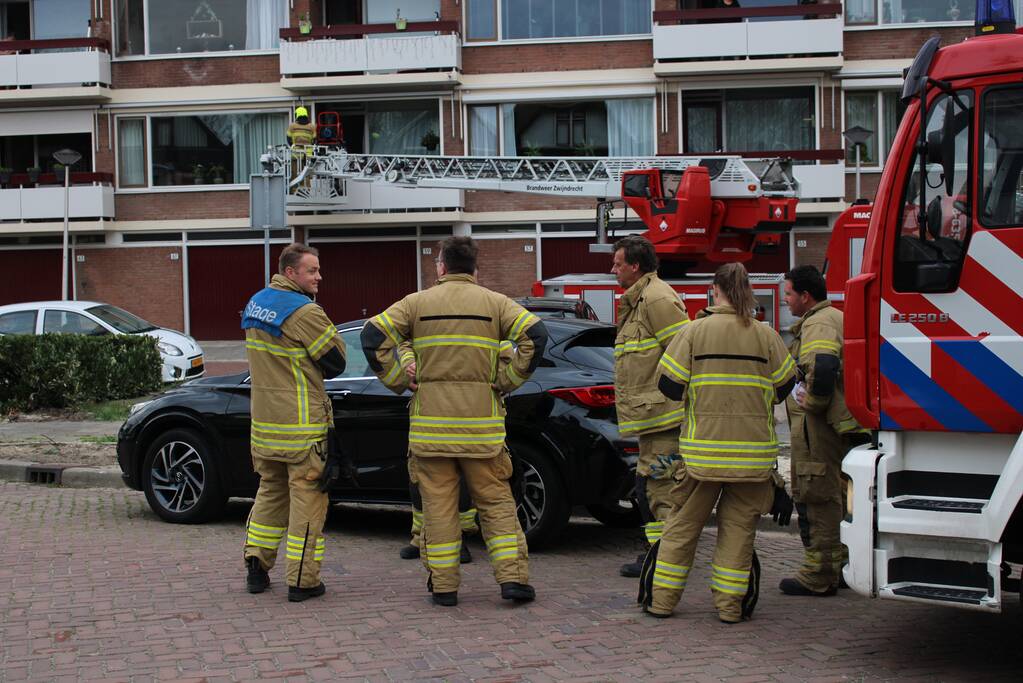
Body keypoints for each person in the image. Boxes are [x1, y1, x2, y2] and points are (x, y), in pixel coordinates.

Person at [362, 236, 548, 607]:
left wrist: (399, 378)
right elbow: (536, 336)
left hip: (431, 433)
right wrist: (508, 381)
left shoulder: (416, 303)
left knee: (439, 509)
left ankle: (445, 586)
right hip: (482, 432)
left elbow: (371, 336)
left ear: (442, 266)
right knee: (496, 506)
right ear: (475, 269)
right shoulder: (495, 303)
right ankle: (512, 580)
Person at [638, 263, 796, 623]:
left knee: (681, 530)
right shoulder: (765, 335)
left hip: (702, 457)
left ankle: (662, 602)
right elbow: (785, 387)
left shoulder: (694, 332)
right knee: (738, 534)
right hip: (753, 459)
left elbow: (669, 387)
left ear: (714, 290)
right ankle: (729, 608)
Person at [241, 243, 347, 603]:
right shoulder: (303, 312)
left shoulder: (257, 303)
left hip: (265, 426)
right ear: (290, 273)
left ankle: (256, 566)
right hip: (302, 429)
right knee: (308, 504)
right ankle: (303, 580)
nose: (319, 277)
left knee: (270, 494)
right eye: (312, 270)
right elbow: (336, 363)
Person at [780, 265, 869, 597]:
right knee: (840, 496)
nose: (786, 300)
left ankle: (819, 573)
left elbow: (824, 364)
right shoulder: (833, 317)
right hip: (843, 423)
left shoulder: (818, 323)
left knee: (817, 493)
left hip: (822, 426)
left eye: (789, 293)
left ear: (805, 296)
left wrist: (813, 403)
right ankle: (840, 564)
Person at [609, 235, 690, 578]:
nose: (613, 269)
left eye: (617, 263)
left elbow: (684, 350)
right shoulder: (639, 299)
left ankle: (664, 559)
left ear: (635, 266)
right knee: (650, 486)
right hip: (651, 417)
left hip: (664, 416)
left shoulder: (656, 299)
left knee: (660, 489)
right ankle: (658, 553)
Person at [287, 106, 317, 184]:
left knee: (294, 174)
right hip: (308, 154)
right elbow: (314, 140)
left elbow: (289, 139)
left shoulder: (292, 126)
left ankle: (294, 192)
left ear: (297, 114)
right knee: (306, 174)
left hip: (296, 153)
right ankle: (306, 191)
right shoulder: (312, 126)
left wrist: (294, 145)